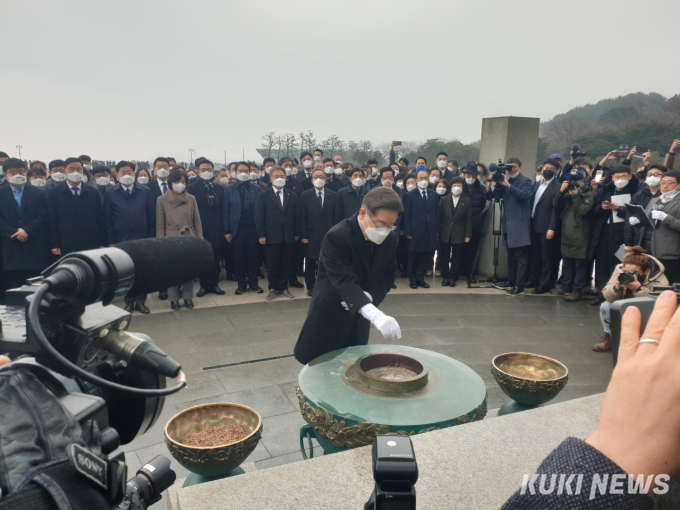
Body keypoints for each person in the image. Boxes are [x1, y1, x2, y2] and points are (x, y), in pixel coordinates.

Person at [294, 187, 402, 365]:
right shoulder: (337, 236)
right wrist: (374, 314)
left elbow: (388, 276)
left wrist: (370, 297)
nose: (385, 230)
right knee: (319, 368)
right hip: (330, 313)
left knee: (352, 366)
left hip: (359, 318)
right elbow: (342, 280)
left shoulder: (389, 238)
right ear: (362, 213)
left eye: (391, 226)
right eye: (380, 224)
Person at [103, 160, 156, 314]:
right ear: (117, 175)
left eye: (130, 172)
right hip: (121, 238)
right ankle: (128, 302)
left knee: (141, 271)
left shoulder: (145, 191)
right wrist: (111, 241)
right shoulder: (110, 193)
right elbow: (107, 219)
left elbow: (151, 217)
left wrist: (152, 239)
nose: (127, 175)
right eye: (123, 173)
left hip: (142, 237)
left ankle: (140, 302)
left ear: (134, 173)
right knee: (125, 272)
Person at [594, 247, 668, 352]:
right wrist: (617, 287)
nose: (629, 275)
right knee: (606, 306)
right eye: (626, 271)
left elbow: (659, 304)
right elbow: (607, 294)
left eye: (634, 272)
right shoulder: (619, 269)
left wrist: (638, 288)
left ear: (645, 271)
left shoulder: (659, 278)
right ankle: (610, 338)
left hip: (645, 311)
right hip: (624, 304)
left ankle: (645, 341)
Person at [590, 163, 640, 305]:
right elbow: (594, 210)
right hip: (603, 232)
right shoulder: (605, 190)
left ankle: (617, 295)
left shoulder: (635, 192)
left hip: (622, 234)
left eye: (623, 177)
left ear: (629, 177)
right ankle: (602, 293)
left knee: (617, 264)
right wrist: (602, 207)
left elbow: (635, 215)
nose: (620, 179)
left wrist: (620, 209)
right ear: (612, 177)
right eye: (617, 177)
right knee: (601, 264)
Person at [0, 159, 48, 302]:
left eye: (20, 172)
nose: (17, 175)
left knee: (35, 289)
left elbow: (43, 216)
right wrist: (14, 232)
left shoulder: (38, 193)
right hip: (10, 249)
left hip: (34, 247)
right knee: (13, 289)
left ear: (25, 173)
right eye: (12, 172)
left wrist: (27, 231)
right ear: (5, 175)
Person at [156, 168, 202, 310]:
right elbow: (160, 224)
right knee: (172, 272)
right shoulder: (161, 200)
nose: (180, 184)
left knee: (188, 271)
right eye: (177, 181)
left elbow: (197, 221)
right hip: (171, 238)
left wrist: (200, 240)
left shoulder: (192, 198)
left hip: (189, 236)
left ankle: (188, 297)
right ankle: (173, 298)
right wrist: (160, 243)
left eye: (183, 181)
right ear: (170, 182)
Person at [486, 157, 532, 295]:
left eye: (515, 167)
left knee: (521, 257)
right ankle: (511, 281)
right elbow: (495, 197)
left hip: (520, 224)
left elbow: (524, 196)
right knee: (510, 256)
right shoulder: (505, 180)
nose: (512, 170)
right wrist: (491, 183)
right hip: (508, 223)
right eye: (510, 167)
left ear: (520, 168)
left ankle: (520, 285)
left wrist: (508, 185)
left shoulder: (526, 181)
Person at [255, 167, 300, 300]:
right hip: (271, 235)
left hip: (288, 235)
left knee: (286, 262)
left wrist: (296, 233)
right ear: (271, 179)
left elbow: (296, 216)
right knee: (272, 263)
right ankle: (273, 287)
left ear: (286, 178)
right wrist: (261, 235)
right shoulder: (263, 195)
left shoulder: (292, 195)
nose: (279, 178)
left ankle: (283, 287)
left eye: (282, 176)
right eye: (276, 176)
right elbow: (259, 216)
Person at [46, 157, 106, 256]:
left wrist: (102, 242)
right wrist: (54, 244)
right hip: (65, 241)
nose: (75, 172)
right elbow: (52, 220)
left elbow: (99, 218)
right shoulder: (54, 193)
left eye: (79, 169)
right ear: (65, 171)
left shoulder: (93, 192)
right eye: (71, 169)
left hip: (91, 241)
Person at [552, 170, 594, 301]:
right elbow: (555, 204)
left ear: (582, 181)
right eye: (570, 182)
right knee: (567, 262)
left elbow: (583, 210)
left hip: (580, 234)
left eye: (576, 182)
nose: (573, 185)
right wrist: (561, 190)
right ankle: (565, 286)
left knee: (579, 264)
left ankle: (577, 289)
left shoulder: (588, 194)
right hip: (567, 233)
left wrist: (576, 196)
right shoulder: (567, 194)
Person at [299, 168, 342, 296]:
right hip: (311, 233)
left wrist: (337, 234)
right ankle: (311, 286)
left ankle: (326, 284)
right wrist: (303, 235)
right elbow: (302, 217)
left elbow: (337, 217)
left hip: (328, 233)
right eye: (316, 177)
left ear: (326, 180)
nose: (319, 179)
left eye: (321, 177)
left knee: (326, 261)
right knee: (311, 261)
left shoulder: (333, 195)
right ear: (312, 180)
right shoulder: (305, 195)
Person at [223, 161, 264, 295]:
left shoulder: (256, 189)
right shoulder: (228, 189)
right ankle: (241, 284)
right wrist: (227, 230)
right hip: (237, 229)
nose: (244, 173)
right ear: (234, 172)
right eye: (240, 171)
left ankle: (253, 283)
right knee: (239, 257)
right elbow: (226, 211)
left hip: (253, 228)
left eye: (246, 171)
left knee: (253, 257)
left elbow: (260, 210)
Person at [188, 158, 225, 297]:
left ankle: (214, 284)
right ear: (197, 171)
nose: (206, 172)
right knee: (203, 258)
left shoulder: (219, 188)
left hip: (217, 228)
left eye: (209, 169)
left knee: (216, 259)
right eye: (203, 170)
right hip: (201, 228)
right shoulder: (191, 188)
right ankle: (204, 285)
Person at [528, 159, 561, 294]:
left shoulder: (557, 187)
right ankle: (533, 280)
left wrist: (551, 228)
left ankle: (545, 284)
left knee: (546, 257)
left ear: (556, 171)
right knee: (535, 255)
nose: (547, 170)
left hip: (546, 227)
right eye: (546, 167)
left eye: (552, 169)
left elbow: (556, 210)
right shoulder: (536, 184)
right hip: (533, 224)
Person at [642, 170, 680, 285]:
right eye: (663, 182)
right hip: (650, 249)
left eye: (670, 183)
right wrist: (639, 220)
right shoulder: (655, 199)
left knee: (668, 284)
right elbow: (648, 220)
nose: (665, 186)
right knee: (652, 284)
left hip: (671, 252)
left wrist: (666, 218)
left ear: (678, 185)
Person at [402, 169, 437, 289]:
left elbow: (436, 214)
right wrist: (407, 232)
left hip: (428, 231)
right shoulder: (409, 195)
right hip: (414, 231)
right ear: (416, 180)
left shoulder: (433, 194)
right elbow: (406, 215)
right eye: (421, 178)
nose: (423, 181)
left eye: (425, 178)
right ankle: (412, 279)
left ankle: (420, 278)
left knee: (424, 256)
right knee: (413, 256)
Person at [438, 176, 471, 287]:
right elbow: (439, 218)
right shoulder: (444, 200)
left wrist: (468, 234)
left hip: (459, 233)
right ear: (450, 187)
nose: (457, 187)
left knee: (457, 257)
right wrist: (437, 233)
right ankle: (445, 276)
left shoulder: (466, 201)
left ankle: (453, 277)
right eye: (454, 185)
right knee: (444, 256)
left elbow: (469, 219)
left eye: (459, 185)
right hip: (445, 232)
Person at [625, 164, 666, 252]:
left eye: (656, 175)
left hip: (660, 243)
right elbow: (628, 218)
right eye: (649, 174)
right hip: (640, 241)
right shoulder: (639, 195)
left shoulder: (667, 196)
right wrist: (628, 243)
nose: (652, 177)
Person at [459, 162, 487, 281]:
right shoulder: (459, 186)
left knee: (472, 250)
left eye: (473, 176)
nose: (470, 178)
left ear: (477, 176)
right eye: (468, 175)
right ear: (464, 175)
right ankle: (458, 271)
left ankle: (469, 273)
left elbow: (483, 204)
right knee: (460, 250)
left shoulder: (481, 188)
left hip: (475, 224)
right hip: (460, 224)